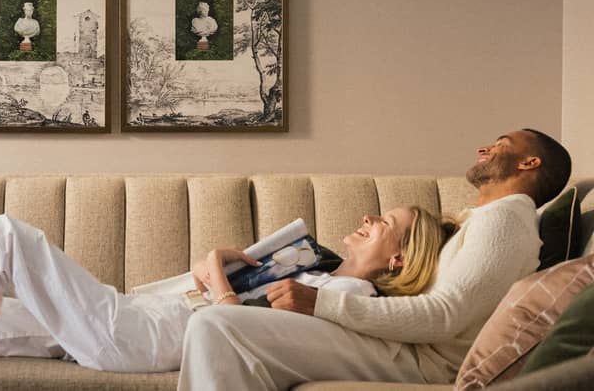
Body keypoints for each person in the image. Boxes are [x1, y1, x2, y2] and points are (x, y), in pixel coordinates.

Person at [0, 204, 448, 373]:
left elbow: (247, 340)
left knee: (5, 236)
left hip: (147, 335)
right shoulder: (317, 270)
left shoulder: (350, 300)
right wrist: (229, 272)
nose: (366, 220)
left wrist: (214, 277)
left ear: (397, 261)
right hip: (146, 314)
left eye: (384, 223)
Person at [178, 128, 572, 390]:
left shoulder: (507, 219)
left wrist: (322, 301)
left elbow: (445, 315)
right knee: (219, 327)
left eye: (501, 144)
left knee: (219, 326)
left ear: (529, 163)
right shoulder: (484, 218)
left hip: (422, 361)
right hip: (402, 345)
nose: (484, 149)